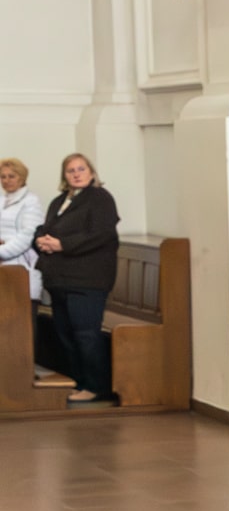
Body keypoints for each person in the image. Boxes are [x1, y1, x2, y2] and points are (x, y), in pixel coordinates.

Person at [33, 153, 120, 405]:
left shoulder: (100, 198)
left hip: (87, 281)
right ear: (64, 175)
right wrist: (40, 240)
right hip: (59, 280)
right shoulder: (60, 200)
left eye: (81, 169)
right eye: (71, 170)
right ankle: (79, 381)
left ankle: (96, 386)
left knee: (85, 334)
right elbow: (47, 227)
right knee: (65, 333)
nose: (76, 174)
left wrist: (62, 245)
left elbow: (101, 235)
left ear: (91, 172)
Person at [0, 159, 43, 300]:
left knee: (20, 309)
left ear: (22, 178)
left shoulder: (31, 201)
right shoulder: (1, 200)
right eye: (3, 177)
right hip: (2, 265)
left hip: (20, 263)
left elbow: (28, 235)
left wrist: (2, 251)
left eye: (11, 176)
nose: (6, 180)